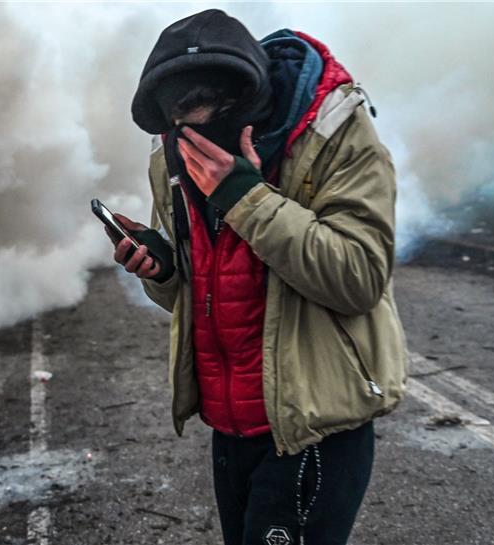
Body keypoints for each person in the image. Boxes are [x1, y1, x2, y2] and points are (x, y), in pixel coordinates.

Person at [113, 9, 407, 545]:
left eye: (205, 115)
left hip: (313, 423)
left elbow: (360, 278)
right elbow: (201, 291)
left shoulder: (334, 130)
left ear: (245, 102)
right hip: (229, 423)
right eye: (177, 121)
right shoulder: (176, 152)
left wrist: (245, 197)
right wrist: (160, 270)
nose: (191, 136)